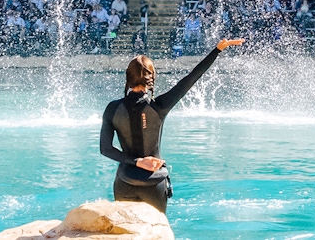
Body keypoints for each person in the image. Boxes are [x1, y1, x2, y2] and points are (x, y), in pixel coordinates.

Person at [100, 38, 245, 213]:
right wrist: (217, 50)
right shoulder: (160, 106)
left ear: (128, 78)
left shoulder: (112, 108)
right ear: (151, 78)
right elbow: (192, 77)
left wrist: (137, 162)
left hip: (125, 182)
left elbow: (105, 149)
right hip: (154, 184)